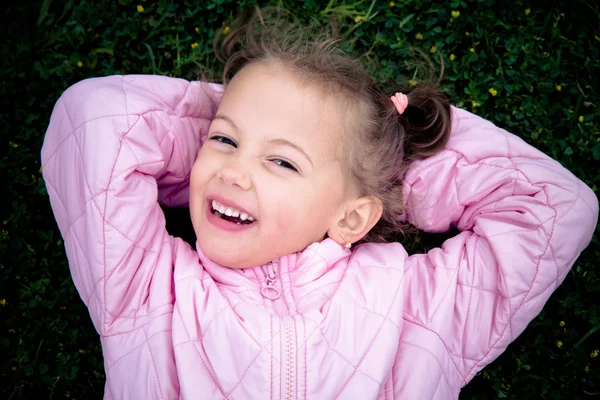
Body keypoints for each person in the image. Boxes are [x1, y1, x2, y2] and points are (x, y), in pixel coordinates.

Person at [41, 8, 597, 400]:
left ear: (352, 216)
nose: (233, 171)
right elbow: (93, 121)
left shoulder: (419, 311)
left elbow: (553, 205)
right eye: (224, 140)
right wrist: (238, 107)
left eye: (282, 162)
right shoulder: (144, 289)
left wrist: (387, 163)